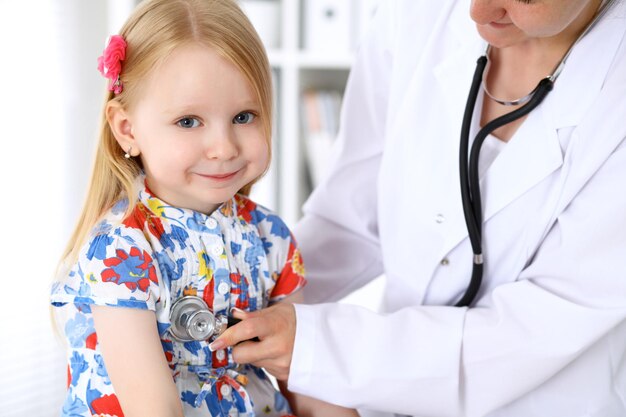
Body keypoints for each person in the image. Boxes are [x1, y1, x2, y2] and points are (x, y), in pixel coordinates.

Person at [212, 0, 626, 416]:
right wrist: (246, 295)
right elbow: (351, 217)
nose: (477, 13)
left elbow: (542, 328)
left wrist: (320, 347)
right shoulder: (417, 11)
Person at [49, 1, 360, 416]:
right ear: (127, 129)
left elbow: (308, 381)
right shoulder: (123, 250)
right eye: (189, 121)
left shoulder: (271, 237)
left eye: (244, 116)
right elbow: (155, 410)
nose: (224, 148)